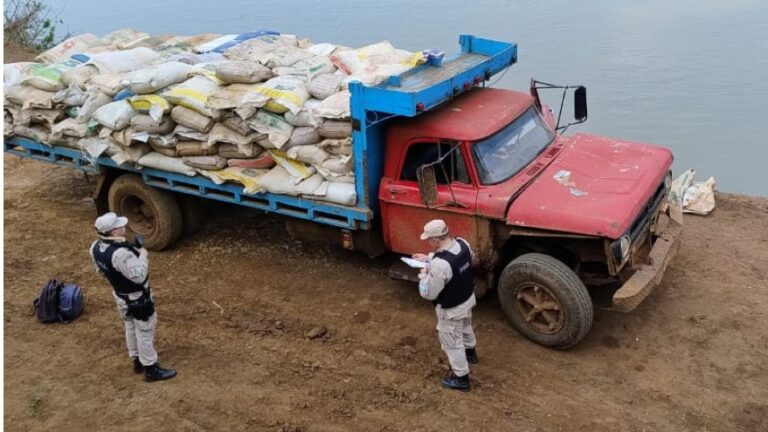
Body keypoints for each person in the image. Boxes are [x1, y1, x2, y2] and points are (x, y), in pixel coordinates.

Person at [89, 212, 177, 382]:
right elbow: (140, 276)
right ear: (114, 232)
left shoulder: (94, 247)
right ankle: (151, 368)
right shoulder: (121, 254)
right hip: (138, 298)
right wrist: (143, 255)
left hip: (120, 296)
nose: (123, 226)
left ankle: (137, 360)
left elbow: (100, 271)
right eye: (119, 225)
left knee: (129, 326)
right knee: (144, 330)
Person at [412, 219, 478, 392]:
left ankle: (461, 379)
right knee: (465, 327)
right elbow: (455, 261)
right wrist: (429, 259)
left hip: (451, 309)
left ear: (435, 240)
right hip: (467, 299)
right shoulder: (463, 244)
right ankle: (471, 354)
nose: (428, 242)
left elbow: (428, 293)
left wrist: (424, 275)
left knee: (452, 343)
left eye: (429, 240)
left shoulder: (440, 266)